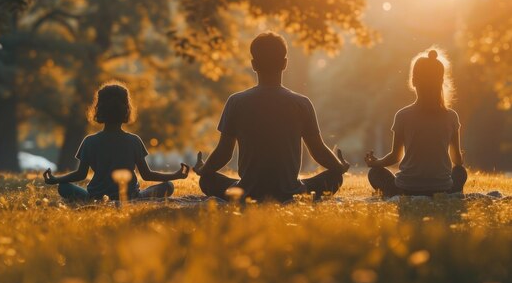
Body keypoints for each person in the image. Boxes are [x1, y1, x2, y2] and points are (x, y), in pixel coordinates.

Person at [193, 31, 350, 202]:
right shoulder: (301, 103)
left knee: (207, 180)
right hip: (291, 192)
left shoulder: (236, 102)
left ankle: (241, 192)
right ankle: (293, 193)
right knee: (335, 177)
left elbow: (224, 153)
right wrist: (339, 166)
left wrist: (204, 170)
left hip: (247, 193)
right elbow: (318, 151)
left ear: (253, 64)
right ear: (284, 63)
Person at [43, 82, 189, 201]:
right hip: (130, 197)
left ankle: (90, 199)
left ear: (98, 110)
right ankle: (138, 198)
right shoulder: (133, 141)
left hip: (96, 197)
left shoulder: (89, 141)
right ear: (126, 110)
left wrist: (56, 179)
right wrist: (175, 175)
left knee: (64, 187)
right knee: (168, 186)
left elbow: (80, 174)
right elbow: (147, 175)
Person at [365, 48, 467, 197]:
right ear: (441, 82)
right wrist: (461, 156)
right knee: (460, 172)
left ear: (413, 81)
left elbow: (395, 156)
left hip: (407, 189)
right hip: (442, 189)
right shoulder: (451, 116)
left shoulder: (402, 115)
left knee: (375, 173)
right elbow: (457, 161)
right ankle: (450, 195)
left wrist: (376, 163)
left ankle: (395, 194)